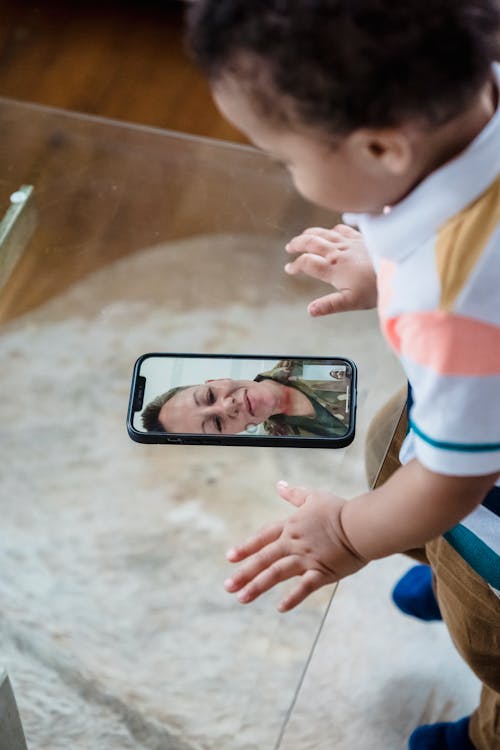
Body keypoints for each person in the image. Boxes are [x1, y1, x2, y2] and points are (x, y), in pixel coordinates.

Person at [186, 3, 500, 749]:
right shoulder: (476, 75)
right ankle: (433, 552)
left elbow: (453, 483)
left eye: (286, 158)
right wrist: (388, 267)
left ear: (385, 147)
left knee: (489, 637)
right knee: (392, 436)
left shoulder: (450, 301)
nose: (292, 176)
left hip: (489, 513)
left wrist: (348, 534)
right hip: (473, 407)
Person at [141, 360, 349, 436]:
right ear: (231, 435)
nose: (227, 406)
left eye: (210, 396)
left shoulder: (305, 357)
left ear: (217, 380)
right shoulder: (289, 452)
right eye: (217, 423)